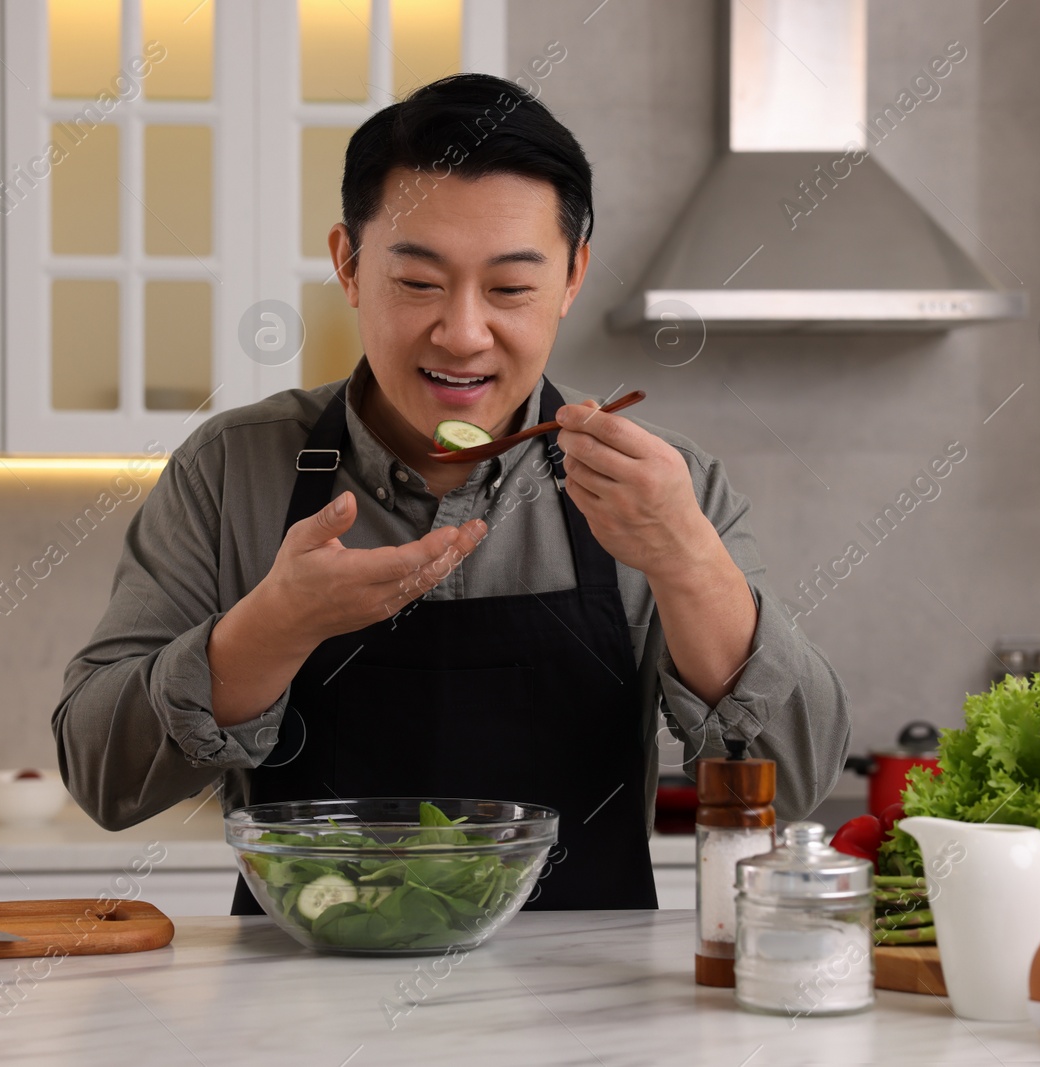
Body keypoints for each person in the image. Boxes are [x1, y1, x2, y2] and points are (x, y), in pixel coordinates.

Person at [54, 73, 850, 912]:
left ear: (573, 276)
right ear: (348, 266)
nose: (463, 333)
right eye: (419, 283)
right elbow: (102, 777)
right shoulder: (232, 468)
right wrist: (269, 630)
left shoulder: (664, 487)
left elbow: (793, 784)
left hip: (591, 1020)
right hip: (301, 1008)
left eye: (510, 288)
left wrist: (688, 560)